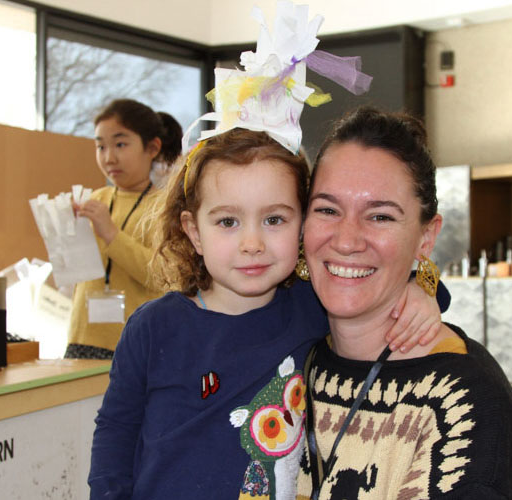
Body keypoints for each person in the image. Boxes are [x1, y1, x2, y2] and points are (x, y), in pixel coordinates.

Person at [87, 3, 447, 498]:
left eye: (275, 219)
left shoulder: (309, 307)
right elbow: (114, 437)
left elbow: (389, 291)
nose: (252, 243)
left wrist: (421, 290)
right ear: (193, 230)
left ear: (303, 222)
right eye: (228, 221)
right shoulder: (152, 329)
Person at [296, 107, 512, 499]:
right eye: (327, 210)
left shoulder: (463, 399)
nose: (346, 240)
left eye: (379, 217)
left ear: (426, 238)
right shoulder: (289, 356)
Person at [64, 99, 183, 359]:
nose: (109, 157)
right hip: (82, 335)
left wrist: (111, 235)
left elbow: (164, 277)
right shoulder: (96, 198)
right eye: (100, 146)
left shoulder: (165, 207)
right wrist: (65, 234)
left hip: (135, 343)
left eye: (120, 144)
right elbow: (75, 274)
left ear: (152, 148)